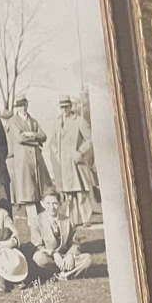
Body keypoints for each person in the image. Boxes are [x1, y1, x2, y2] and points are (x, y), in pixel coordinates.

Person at [6, 94, 53, 225]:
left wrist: (31, 134)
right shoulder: (13, 121)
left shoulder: (33, 121)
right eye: (20, 105)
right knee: (29, 194)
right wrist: (35, 140)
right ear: (17, 107)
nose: (23, 108)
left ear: (27, 105)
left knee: (40, 193)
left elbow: (43, 136)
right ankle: (34, 226)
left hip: (37, 160)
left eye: (24, 104)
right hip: (24, 160)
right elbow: (19, 138)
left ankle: (43, 224)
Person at [30, 189, 93, 280]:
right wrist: (54, 253)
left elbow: (75, 243)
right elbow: (37, 246)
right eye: (48, 203)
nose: (52, 207)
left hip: (66, 257)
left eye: (55, 203)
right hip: (49, 258)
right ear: (42, 204)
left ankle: (62, 275)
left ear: (60, 204)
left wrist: (70, 255)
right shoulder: (36, 221)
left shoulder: (67, 220)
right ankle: (65, 272)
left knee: (87, 259)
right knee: (38, 258)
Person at [55, 96, 97, 227]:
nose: (64, 109)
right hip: (64, 164)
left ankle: (86, 219)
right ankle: (72, 220)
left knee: (81, 191)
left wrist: (80, 152)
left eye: (66, 106)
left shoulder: (79, 120)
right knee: (69, 194)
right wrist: (57, 153)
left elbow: (90, 139)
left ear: (70, 106)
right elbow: (53, 141)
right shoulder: (58, 122)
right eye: (62, 107)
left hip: (77, 162)